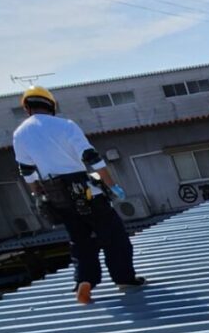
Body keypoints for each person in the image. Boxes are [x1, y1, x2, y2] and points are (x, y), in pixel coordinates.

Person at [12, 86, 143, 305]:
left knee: (80, 241)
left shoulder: (20, 133)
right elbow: (91, 156)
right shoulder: (65, 125)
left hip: (56, 195)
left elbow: (27, 171)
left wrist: (38, 196)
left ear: (27, 107)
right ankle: (125, 279)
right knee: (114, 236)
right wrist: (112, 185)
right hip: (85, 190)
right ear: (50, 104)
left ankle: (84, 282)